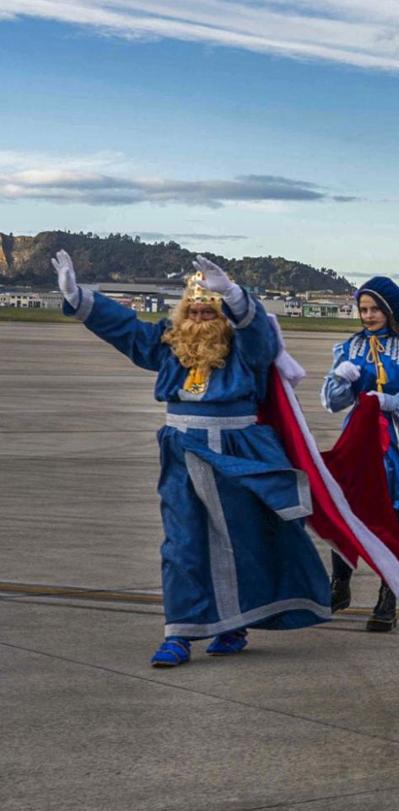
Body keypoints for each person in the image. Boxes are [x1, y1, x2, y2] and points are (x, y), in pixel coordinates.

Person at [52, 250, 330, 667]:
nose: (200, 318)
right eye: (194, 310)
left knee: (242, 541)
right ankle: (179, 633)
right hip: (182, 451)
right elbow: (127, 329)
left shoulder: (244, 347)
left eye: (209, 311)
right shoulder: (169, 344)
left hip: (236, 452)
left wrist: (235, 294)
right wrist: (80, 297)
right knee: (182, 544)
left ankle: (234, 625)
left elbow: (262, 340)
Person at [321, 276, 399, 631]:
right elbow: (332, 404)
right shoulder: (348, 348)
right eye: (363, 309)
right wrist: (339, 380)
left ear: (390, 312)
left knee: (388, 520)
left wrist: (389, 401)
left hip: (392, 444)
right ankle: (339, 583)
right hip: (357, 439)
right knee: (342, 510)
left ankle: (388, 595)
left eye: (374, 310)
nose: (367, 316)